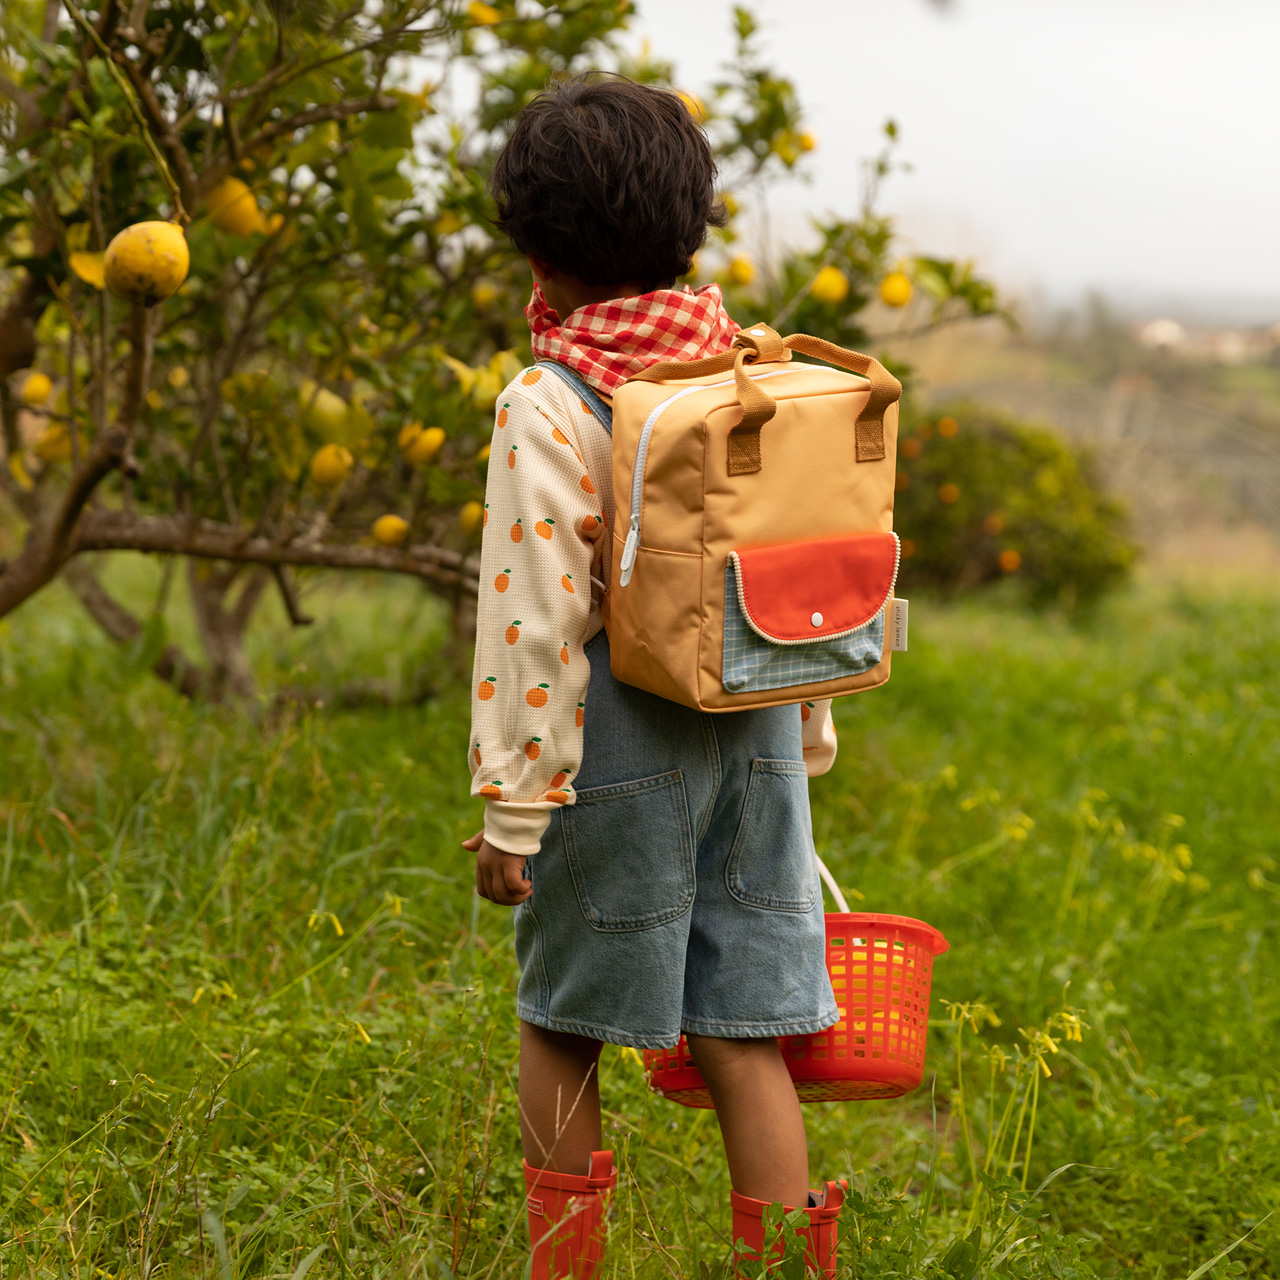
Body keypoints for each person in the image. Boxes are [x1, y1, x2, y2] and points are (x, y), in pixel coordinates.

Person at [462, 74, 842, 1278]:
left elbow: (534, 619)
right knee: (743, 1035)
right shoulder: (751, 374)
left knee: (561, 1020)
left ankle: (565, 1266)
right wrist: (808, 731)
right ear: (691, 228)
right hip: (758, 741)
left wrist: (516, 807)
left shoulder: (552, 399)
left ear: (533, 247)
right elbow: (804, 568)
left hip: (616, 763)